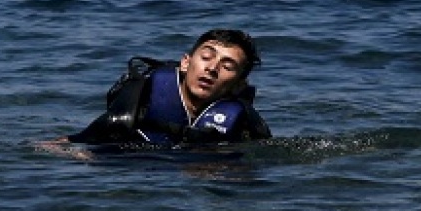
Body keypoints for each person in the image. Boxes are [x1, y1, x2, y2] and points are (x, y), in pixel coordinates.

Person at [60, 29, 272, 147]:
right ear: (186, 63)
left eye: (227, 66)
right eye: (206, 57)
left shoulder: (243, 122)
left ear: (238, 86)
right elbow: (87, 138)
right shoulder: (143, 95)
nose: (212, 68)